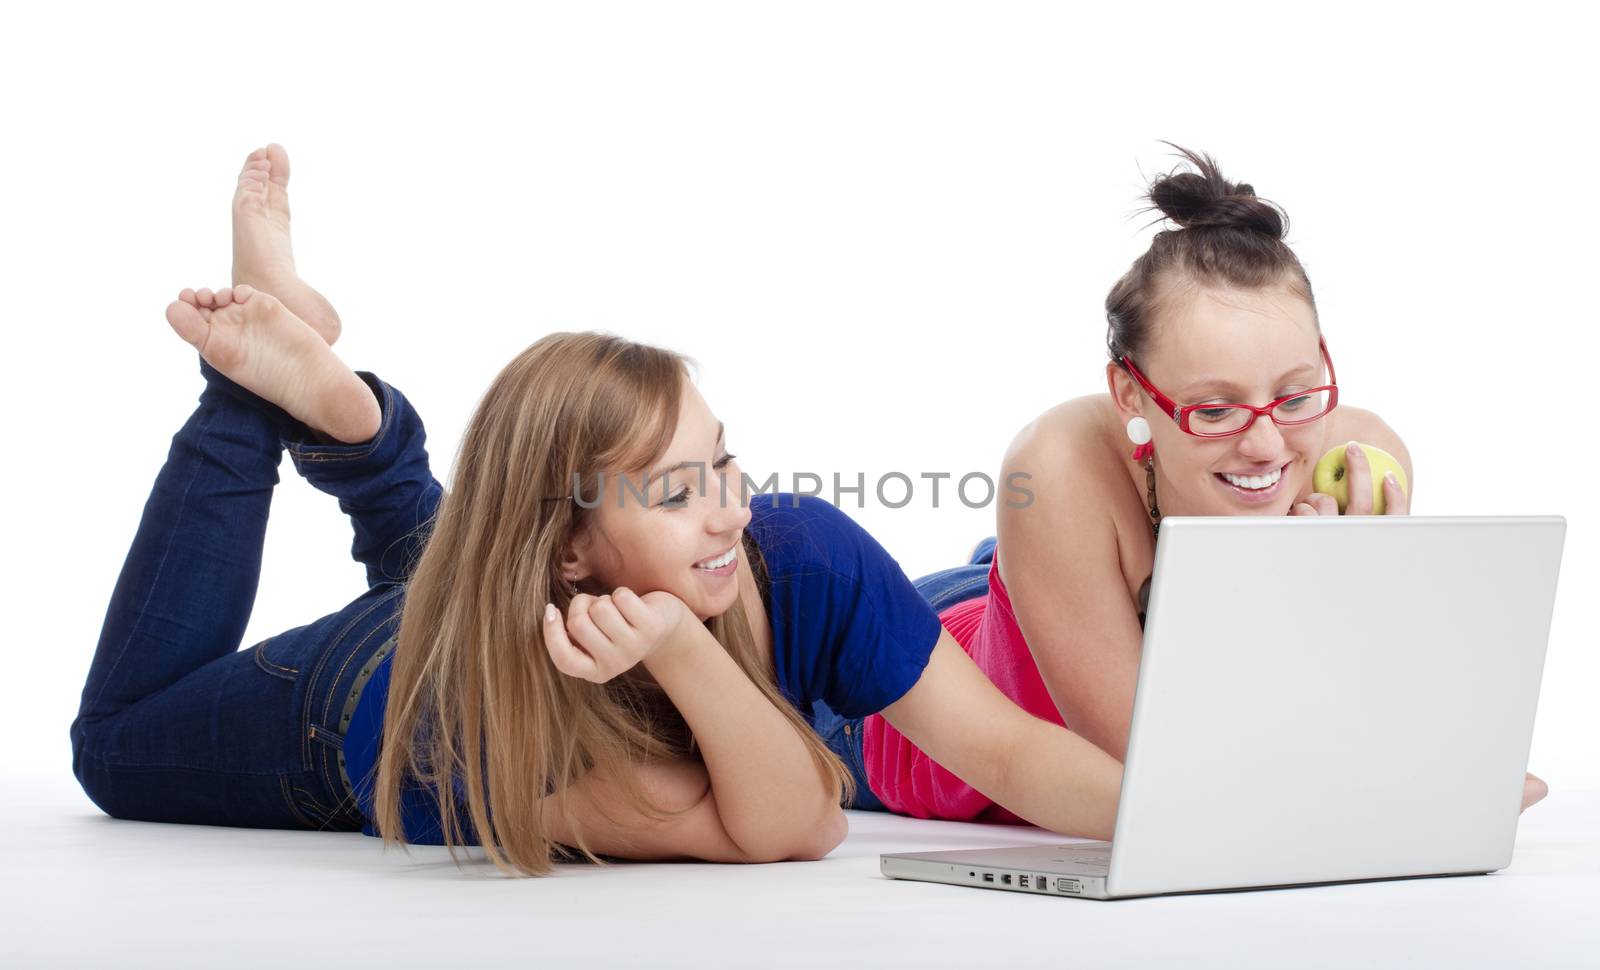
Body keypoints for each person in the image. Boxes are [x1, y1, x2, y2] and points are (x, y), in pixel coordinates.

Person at [69, 145, 1125, 878]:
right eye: (677, 492)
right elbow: (789, 828)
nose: (728, 513)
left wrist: (1196, 820)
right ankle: (246, 387)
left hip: (527, 576)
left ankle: (361, 433)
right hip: (370, 692)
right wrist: (682, 649)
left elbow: (1009, 752)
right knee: (113, 747)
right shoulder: (465, 735)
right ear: (569, 552)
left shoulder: (798, 553)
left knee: (488, 548)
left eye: (724, 464)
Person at [865, 144, 1550, 822]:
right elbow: (1170, 765)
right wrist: (1419, 780)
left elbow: (1354, 720)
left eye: (1294, 394)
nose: (1264, 445)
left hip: (1058, 584)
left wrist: (1353, 606)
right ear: (1131, 395)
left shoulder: (1364, 461)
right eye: (1215, 410)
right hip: (920, 693)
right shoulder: (1054, 464)